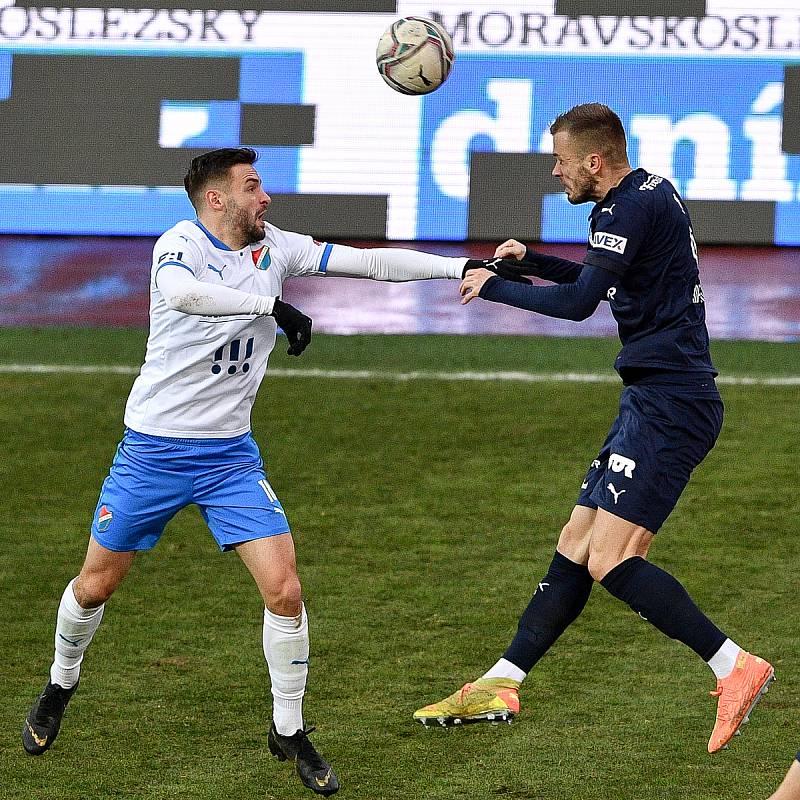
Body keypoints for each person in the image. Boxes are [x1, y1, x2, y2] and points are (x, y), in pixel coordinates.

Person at [21, 147, 473, 796]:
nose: (265, 198)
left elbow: (369, 263)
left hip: (230, 456)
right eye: (252, 187)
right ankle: (62, 682)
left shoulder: (277, 247)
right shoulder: (178, 246)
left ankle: (287, 729)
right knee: (94, 586)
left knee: (284, 590)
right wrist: (269, 308)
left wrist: (461, 264)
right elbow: (185, 296)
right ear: (216, 200)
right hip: (154, 451)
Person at [413, 103, 775, 755]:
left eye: (560, 160)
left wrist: (493, 287)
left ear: (594, 160)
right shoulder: (639, 196)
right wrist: (530, 263)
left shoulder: (628, 208)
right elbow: (597, 281)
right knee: (577, 539)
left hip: (671, 404)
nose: (555, 173)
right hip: (651, 397)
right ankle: (501, 681)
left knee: (612, 558)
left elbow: (581, 305)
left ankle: (733, 666)